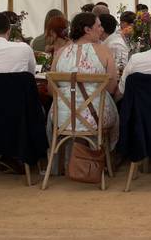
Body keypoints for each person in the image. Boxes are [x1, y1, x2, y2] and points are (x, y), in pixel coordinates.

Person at [51, 12, 119, 148]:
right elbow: (111, 88)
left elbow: (51, 89)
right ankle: (101, 158)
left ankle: (63, 157)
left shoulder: (60, 53)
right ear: (87, 30)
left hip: (62, 118)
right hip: (96, 118)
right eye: (99, 26)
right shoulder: (104, 51)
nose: (102, 29)